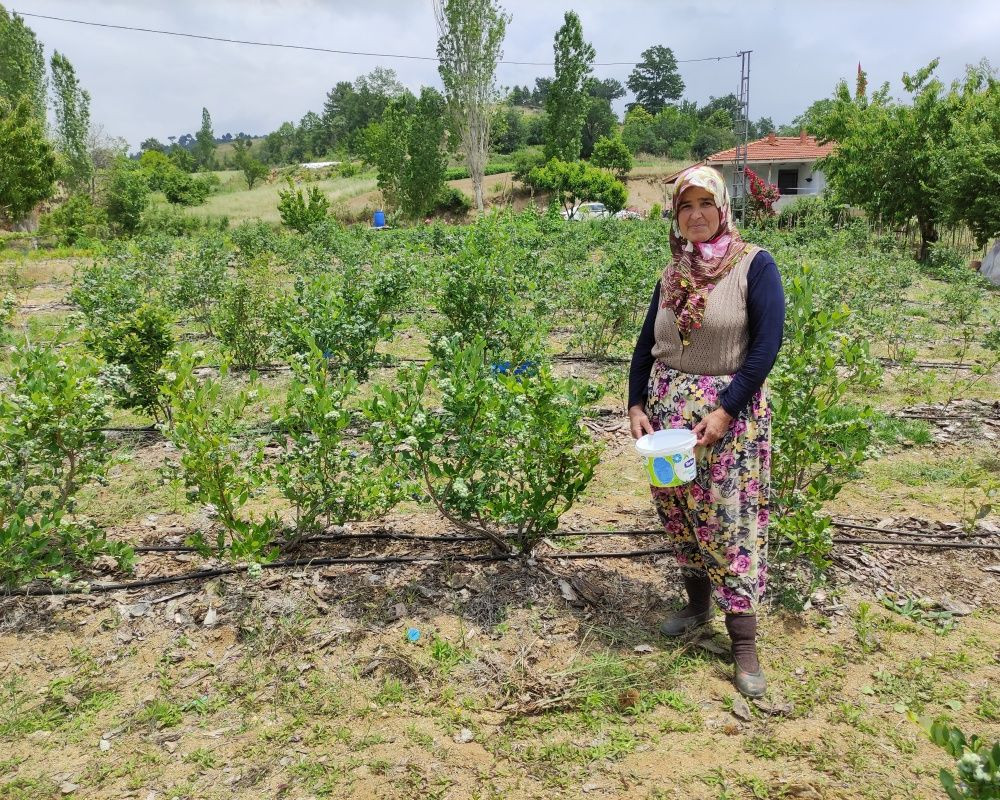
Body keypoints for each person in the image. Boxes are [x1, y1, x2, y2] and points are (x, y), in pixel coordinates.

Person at [628, 166, 785, 698]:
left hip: (726, 422)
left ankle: (743, 644)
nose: (695, 215)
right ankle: (697, 609)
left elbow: (765, 347)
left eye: (704, 204)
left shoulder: (753, 265)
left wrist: (724, 411)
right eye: (684, 207)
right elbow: (646, 344)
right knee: (678, 513)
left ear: (723, 208)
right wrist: (634, 404)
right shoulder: (672, 273)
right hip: (668, 422)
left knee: (728, 523)